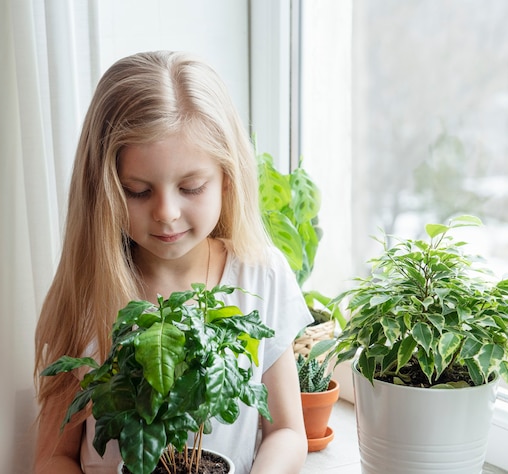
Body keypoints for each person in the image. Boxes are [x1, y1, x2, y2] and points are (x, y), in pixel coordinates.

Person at [33, 50, 312, 474]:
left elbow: (288, 433)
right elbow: (53, 456)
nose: (166, 212)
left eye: (192, 187)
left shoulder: (261, 275)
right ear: (103, 190)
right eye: (138, 191)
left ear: (227, 178)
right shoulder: (89, 291)